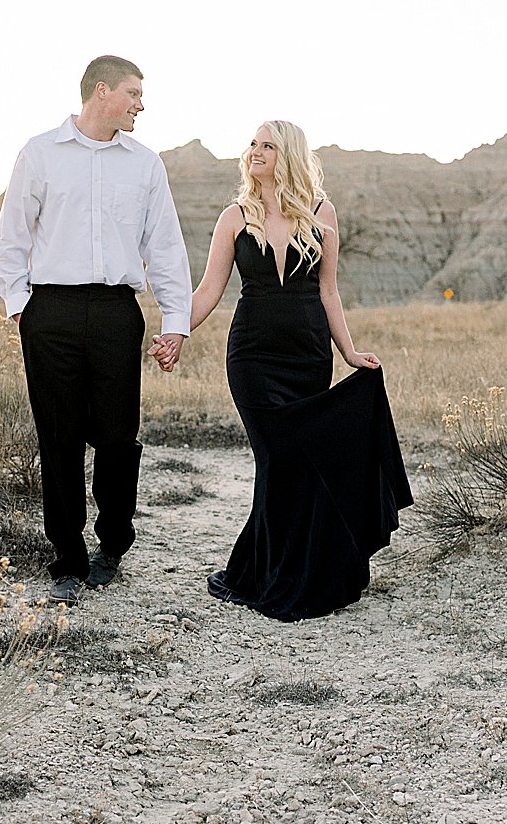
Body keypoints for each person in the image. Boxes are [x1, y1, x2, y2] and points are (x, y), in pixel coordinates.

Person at [165, 120, 412, 621]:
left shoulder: (322, 214)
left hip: (307, 356)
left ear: (289, 155)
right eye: (253, 144)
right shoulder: (234, 217)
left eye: (267, 146)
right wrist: (176, 332)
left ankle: (293, 568)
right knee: (277, 457)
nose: (255, 152)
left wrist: (349, 353)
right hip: (252, 357)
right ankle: (264, 571)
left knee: (294, 464)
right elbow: (210, 288)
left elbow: (329, 292)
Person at [0, 56, 193, 603]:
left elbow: (166, 249)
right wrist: (22, 309)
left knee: (116, 437)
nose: (140, 104)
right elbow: (11, 238)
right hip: (49, 313)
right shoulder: (40, 154)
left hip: (115, 313)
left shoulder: (146, 165)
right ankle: (66, 557)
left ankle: (112, 545)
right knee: (56, 440)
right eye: (132, 92)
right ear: (100, 91)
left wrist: (175, 323)